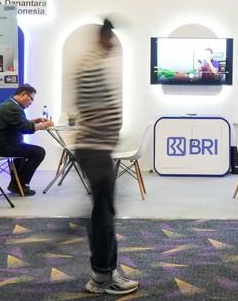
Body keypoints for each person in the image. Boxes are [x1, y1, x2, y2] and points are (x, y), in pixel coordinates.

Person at [74, 19, 139, 296]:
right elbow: (98, 111)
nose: (113, 45)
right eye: (111, 39)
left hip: (97, 149)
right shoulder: (91, 66)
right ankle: (103, 277)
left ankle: (102, 273)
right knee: (103, 215)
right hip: (95, 150)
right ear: (104, 37)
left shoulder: (92, 63)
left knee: (103, 212)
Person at [0, 84, 53, 196]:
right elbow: (25, 128)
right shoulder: (13, 108)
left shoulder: (9, 104)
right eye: (31, 99)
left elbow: (20, 123)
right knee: (39, 152)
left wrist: (36, 120)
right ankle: (20, 184)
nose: (31, 103)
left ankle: (16, 184)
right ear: (23, 94)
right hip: (1, 147)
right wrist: (44, 125)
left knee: (23, 148)